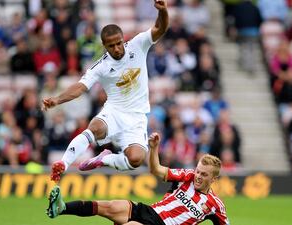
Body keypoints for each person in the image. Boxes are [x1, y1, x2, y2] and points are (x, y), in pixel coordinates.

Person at [41, 0, 169, 182]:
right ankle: (62, 165)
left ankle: (105, 159)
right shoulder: (101, 66)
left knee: (136, 159)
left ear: (123, 39)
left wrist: (163, 11)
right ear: (104, 45)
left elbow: (160, 28)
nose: (117, 48)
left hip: (137, 117)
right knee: (94, 128)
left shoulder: (138, 45)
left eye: (119, 43)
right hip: (114, 112)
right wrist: (57, 100)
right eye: (111, 46)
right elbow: (80, 87)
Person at [46, 132, 230, 225]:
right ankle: (61, 208)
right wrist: (154, 148)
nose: (198, 176)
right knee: (110, 206)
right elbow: (156, 170)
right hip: (150, 212)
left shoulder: (215, 205)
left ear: (213, 179)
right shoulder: (187, 176)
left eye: (204, 174)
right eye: (198, 171)